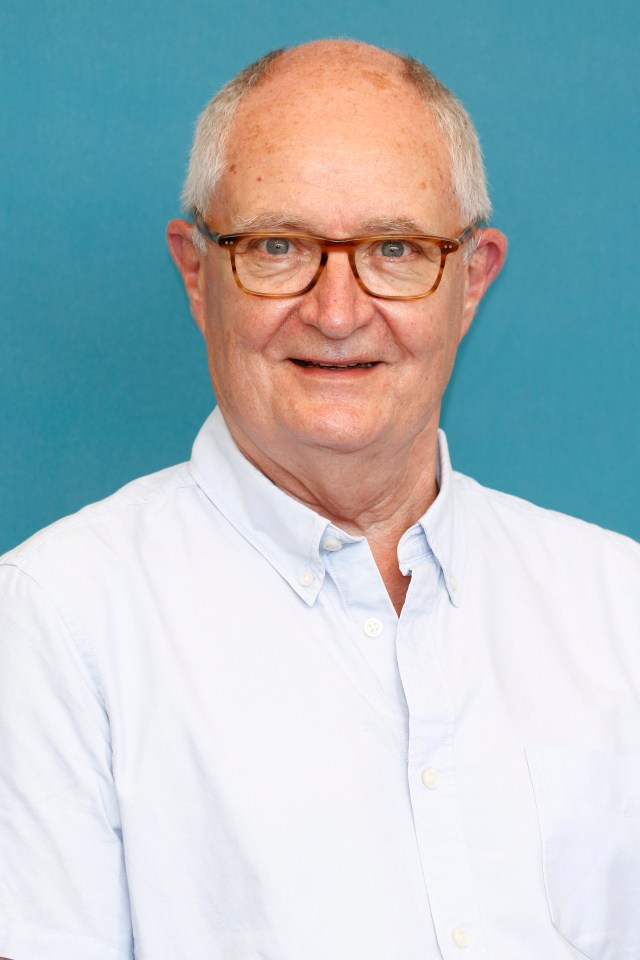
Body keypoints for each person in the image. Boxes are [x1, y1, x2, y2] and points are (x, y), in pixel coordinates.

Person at [1, 38, 638, 960]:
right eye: (277, 246)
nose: (337, 312)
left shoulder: (617, 603)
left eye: (394, 248)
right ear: (195, 272)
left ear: (472, 280)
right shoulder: (56, 627)